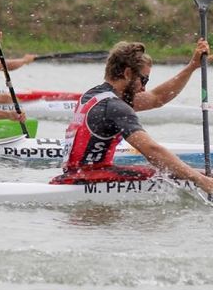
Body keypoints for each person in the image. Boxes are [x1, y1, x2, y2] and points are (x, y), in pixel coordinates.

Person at [50, 39, 213, 196]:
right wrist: (200, 180)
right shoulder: (114, 106)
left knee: (195, 174)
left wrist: (192, 66)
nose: (144, 87)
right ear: (128, 73)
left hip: (75, 175)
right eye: (143, 79)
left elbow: (157, 98)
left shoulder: (94, 96)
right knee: (196, 175)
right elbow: (152, 151)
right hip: (88, 179)